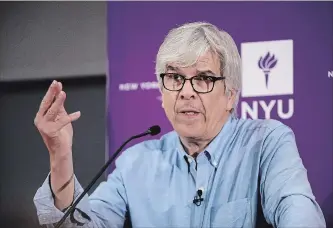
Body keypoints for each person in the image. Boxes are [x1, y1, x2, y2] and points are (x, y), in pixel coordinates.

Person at [33, 22, 326, 228]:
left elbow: (297, 211)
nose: (186, 91)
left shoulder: (266, 142)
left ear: (230, 96)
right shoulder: (135, 162)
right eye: (174, 78)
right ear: (162, 94)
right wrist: (60, 155)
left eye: (203, 78)